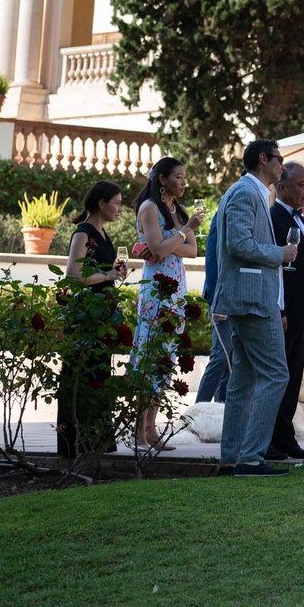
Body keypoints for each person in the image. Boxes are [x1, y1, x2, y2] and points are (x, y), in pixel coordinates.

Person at [215, 137, 299, 476]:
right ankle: (249, 456)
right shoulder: (245, 192)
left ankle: (232, 457)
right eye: (280, 159)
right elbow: (238, 244)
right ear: (263, 159)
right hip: (250, 299)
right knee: (277, 374)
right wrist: (279, 254)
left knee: (243, 380)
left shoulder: (252, 193)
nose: (283, 166)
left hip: (250, 297)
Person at [131, 156, 203, 452]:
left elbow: (193, 251)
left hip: (176, 289)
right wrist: (184, 230)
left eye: (185, 177)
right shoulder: (149, 208)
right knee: (150, 357)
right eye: (178, 177)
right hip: (156, 290)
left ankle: (153, 427)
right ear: (162, 179)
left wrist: (180, 234)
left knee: (165, 359)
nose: (183, 182)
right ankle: (139, 430)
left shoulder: (179, 211)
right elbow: (159, 251)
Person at [55, 180, 125, 458]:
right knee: (80, 376)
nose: (120, 208)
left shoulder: (104, 235)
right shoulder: (83, 234)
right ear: (101, 203)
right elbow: (74, 276)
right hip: (85, 315)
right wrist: (108, 276)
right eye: (117, 203)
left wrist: (114, 274)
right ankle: (74, 443)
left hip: (100, 315)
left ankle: (96, 441)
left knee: (98, 375)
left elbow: (104, 273)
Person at [266, 164, 304, 462]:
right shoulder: (273, 218)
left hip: (303, 310)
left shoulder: (299, 219)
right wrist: (282, 309)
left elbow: (299, 263)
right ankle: (270, 439)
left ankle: (285, 437)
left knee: (291, 377)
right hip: (285, 312)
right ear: (282, 187)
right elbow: (274, 268)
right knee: (279, 376)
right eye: (302, 185)